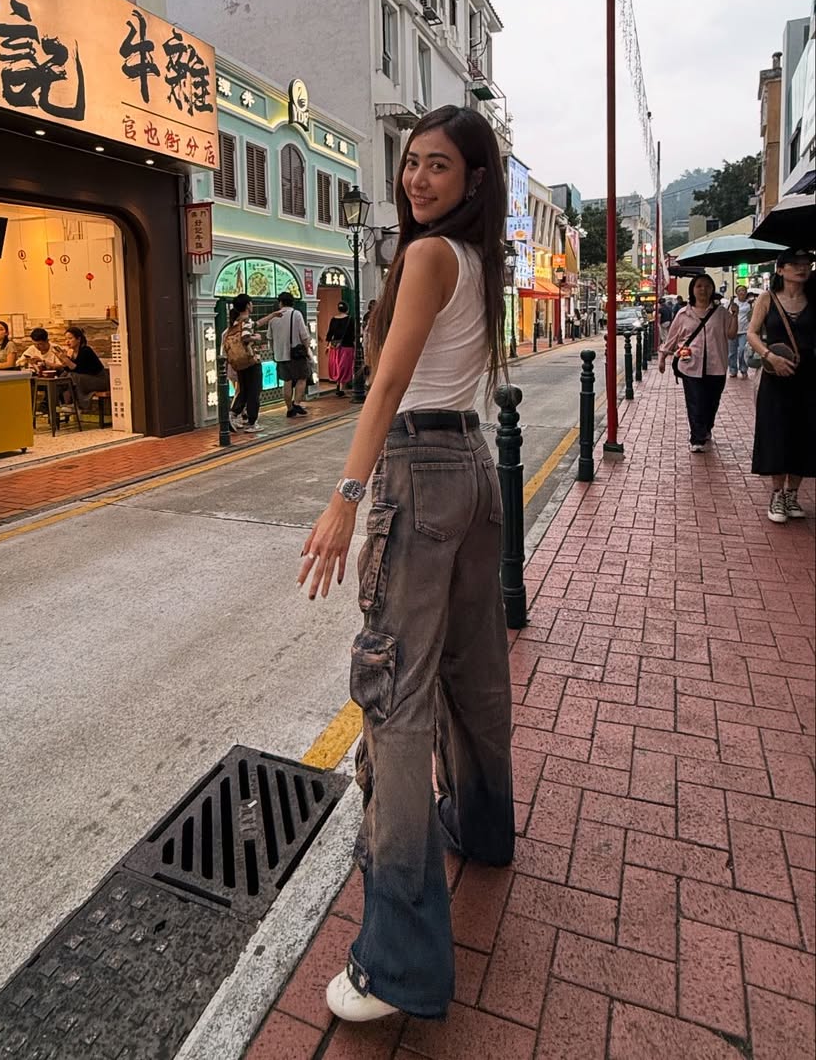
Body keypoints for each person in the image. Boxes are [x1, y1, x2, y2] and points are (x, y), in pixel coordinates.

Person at [296, 105, 513, 1025]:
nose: (417, 178)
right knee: (473, 668)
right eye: (412, 162)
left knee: (394, 697)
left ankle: (398, 963)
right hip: (472, 466)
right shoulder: (478, 258)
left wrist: (346, 496)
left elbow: (387, 381)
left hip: (418, 470)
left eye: (438, 165)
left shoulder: (426, 256)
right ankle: (485, 826)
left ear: (473, 178)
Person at [747, 248, 815, 523]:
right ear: (780, 269)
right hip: (775, 374)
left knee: (805, 432)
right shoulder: (768, 298)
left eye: (806, 263)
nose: (802, 268)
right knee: (776, 431)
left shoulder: (814, 299)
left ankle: (792, 495)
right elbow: (752, 333)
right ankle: (777, 494)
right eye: (795, 264)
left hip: (808, 375)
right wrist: (770, 356)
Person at [658, 272, 736, 453]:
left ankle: (706, 428)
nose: (703, 289)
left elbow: (731, 335)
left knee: (712, 402)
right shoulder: (683, 314)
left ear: (712, 289)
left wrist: (734, 315)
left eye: (707, 286)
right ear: (692, 289)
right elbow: (672, 338)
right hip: (690, 365)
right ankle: (697, 437)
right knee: (695, 401)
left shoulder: (721, 313)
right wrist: (662, 358)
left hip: (717, 365)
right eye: (699, 286)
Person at [265, 292, 312, 417]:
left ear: (280, 303)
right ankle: (296, 403)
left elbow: (269, 338)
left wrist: (273, 352)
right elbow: (304, 335)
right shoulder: (296, 314)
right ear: (292, 302)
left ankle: (289, 408)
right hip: (296, 354)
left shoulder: (273, 318)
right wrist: (307, 350)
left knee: (287, 381)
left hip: (280, 356)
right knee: (302, 378)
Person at [223, 294, 263, 432]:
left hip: (240, 362)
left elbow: (258, 324)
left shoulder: (235, 323)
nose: (252, 305)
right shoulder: (247, 321)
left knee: (244, 391)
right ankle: (252, 423)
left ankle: (232, 414)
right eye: (251, 303)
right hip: (251, 361)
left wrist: (273, 315)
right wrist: (256, 338)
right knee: (254, 391)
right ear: (247, 305)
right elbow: (245, 337)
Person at [58, 326, 109, 410]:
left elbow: (77, 369)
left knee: (72, 376)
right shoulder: (72, 352)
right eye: (66, 339)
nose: (67, 341)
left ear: (78, 339)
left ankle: (75, 405)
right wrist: (63, 360)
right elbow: (68, 369)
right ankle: (65, 403)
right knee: (64, 375)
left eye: (70, 338)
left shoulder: (86, 350)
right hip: (83, 379)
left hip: (98, 379)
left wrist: (66, 359)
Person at [325, 301, 356, 397]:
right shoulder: (350, 319)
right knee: (345, 367)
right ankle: (342, 389)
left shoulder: (333, 319)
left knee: (336, 366)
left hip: (335, 347)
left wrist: (328, 345)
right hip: (347, 346)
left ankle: (338, 386)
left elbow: (330, 334)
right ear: (347, 309)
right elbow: (353, 334)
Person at [728, 286, 752, 378]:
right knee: (732, 353)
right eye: (739, 291)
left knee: (743, 350)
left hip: (744, 331)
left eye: (743, 290)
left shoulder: (749, 303)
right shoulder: (732, 302)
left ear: (746, 292)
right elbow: (725, 313)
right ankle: (733, 370)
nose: (742, 292)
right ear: (736, 293)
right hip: (732, 330)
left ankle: (743, 369)